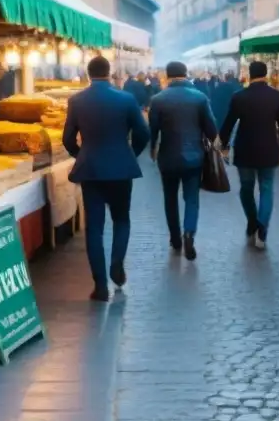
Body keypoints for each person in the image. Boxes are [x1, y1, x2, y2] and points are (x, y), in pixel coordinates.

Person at [63, 55, 151, 301]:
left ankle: (100, 285)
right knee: (122, 219)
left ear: (88, 73)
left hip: (91, 170)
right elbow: (144, 132)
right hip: (121, 169)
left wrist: (81, 155)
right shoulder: (126, 99)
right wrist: (130, 154)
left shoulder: (76, 100)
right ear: (109, 72)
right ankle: (117, 264)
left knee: (95, 227)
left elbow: (67, 139)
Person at [149, 61, 218, 259]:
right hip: (194, 157)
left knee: (169, 198)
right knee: (191, 198)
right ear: (186, 74)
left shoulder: (158, 99)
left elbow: (152, 130)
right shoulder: (199, 97)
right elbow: (211, 129)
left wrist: (153, 148)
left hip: (167, 157)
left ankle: (175, 238)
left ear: (168, 76)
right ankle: (189, 232)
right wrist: (220, 150)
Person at [219, 60, 279, 249]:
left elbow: (229, 122)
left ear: (249, 74)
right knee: (266, 189)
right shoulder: (276, 97)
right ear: (265, 74)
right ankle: (262, 230)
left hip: (245, 150)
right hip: (268, 150)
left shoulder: (239, 97)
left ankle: (252, 222)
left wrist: (223, 144)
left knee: (246, 190)